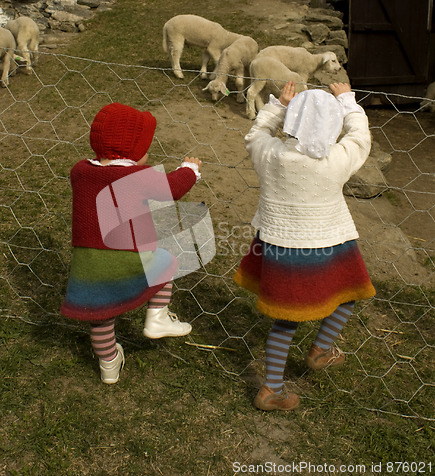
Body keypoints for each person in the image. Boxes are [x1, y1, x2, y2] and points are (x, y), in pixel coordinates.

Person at [234, 81, 376, 411]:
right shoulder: (338, 158)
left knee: (287, 317)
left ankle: (273, 387)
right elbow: (360, 138)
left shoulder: (270, 154)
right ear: (333, 126)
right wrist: (348, 102)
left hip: (281, 246)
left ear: (291, 123)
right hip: (330, 242)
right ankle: (320, 351)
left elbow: (255, 134)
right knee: (350, 293)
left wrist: (280, 106)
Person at [60, 102, 202, 384]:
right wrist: (189, 169)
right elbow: (172, 188)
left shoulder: (80, 172)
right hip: (129, 258)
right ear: (135, 150)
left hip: (88, 266)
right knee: (166, 262)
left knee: (100, 315)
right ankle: (157, 316)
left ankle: (109, 365)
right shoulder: (137, 176)